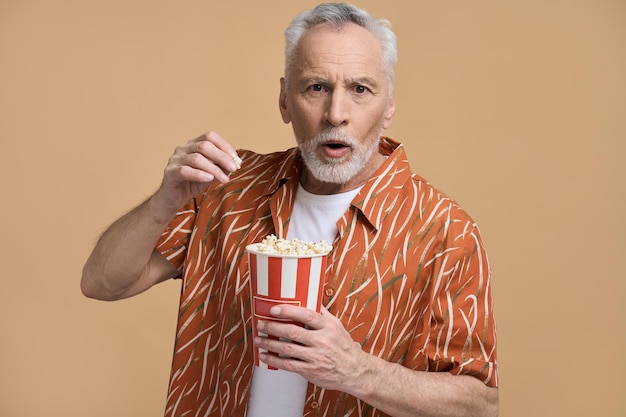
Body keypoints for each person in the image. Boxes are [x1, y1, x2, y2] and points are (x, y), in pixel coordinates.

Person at [81, 3, 498, 417]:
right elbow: (103, 283)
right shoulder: (226, 189)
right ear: (284, 100)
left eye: (360, 89)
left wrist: (361, 372)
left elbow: (481, 407)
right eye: (316, 87)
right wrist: (164, 201)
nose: (336, 114)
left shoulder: (446, 232)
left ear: (389, 105)